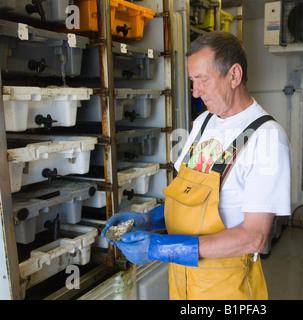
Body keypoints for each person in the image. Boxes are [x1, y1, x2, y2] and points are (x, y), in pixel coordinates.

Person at [101, 31, 292, 300]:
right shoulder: (204, 123)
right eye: (193, 81)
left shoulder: (267, 138)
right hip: (184, 280)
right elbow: (186, 197)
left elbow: (254, 238)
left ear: (234, 75)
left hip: (226, 287)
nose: (195, 92)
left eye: (202, 80)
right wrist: (147, 220)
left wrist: (162, 248)